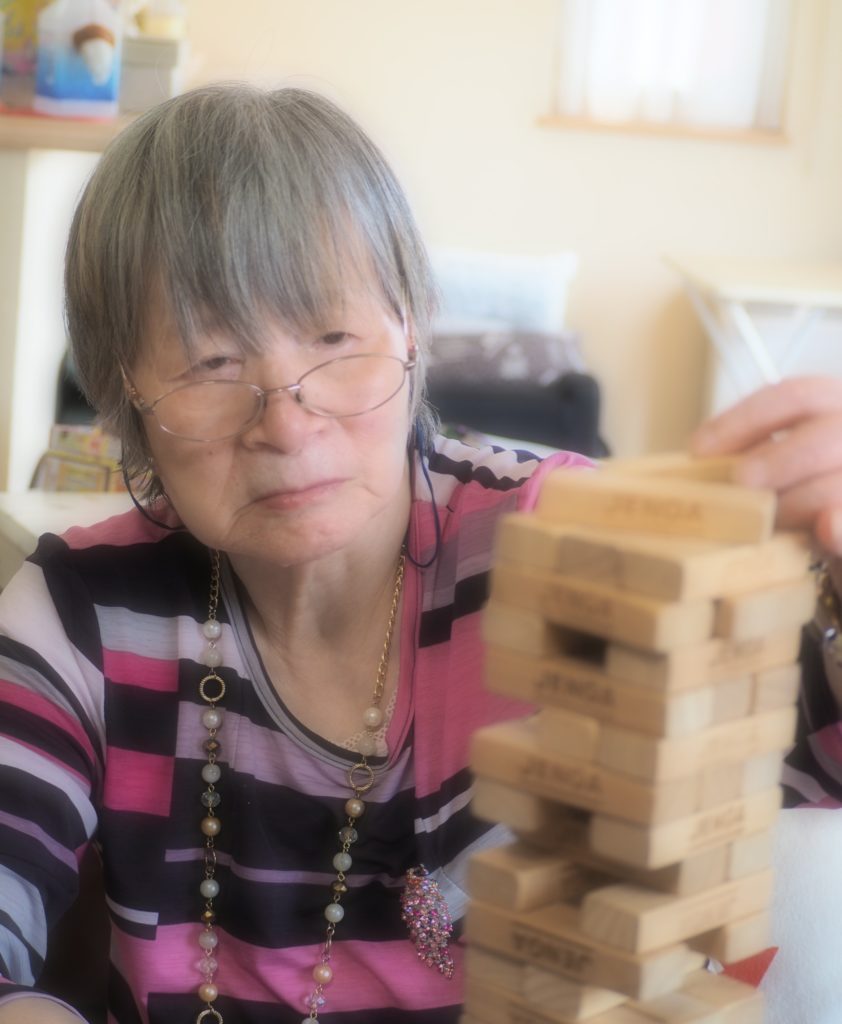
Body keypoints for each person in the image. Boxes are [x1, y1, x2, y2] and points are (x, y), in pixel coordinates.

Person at [0, 83, 840, 1024]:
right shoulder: (79, 612)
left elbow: (817, 740)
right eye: (211, 363)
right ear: (124, 393)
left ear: (412, 326)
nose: (287, 423)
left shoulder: (563, 547)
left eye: (334, 337)